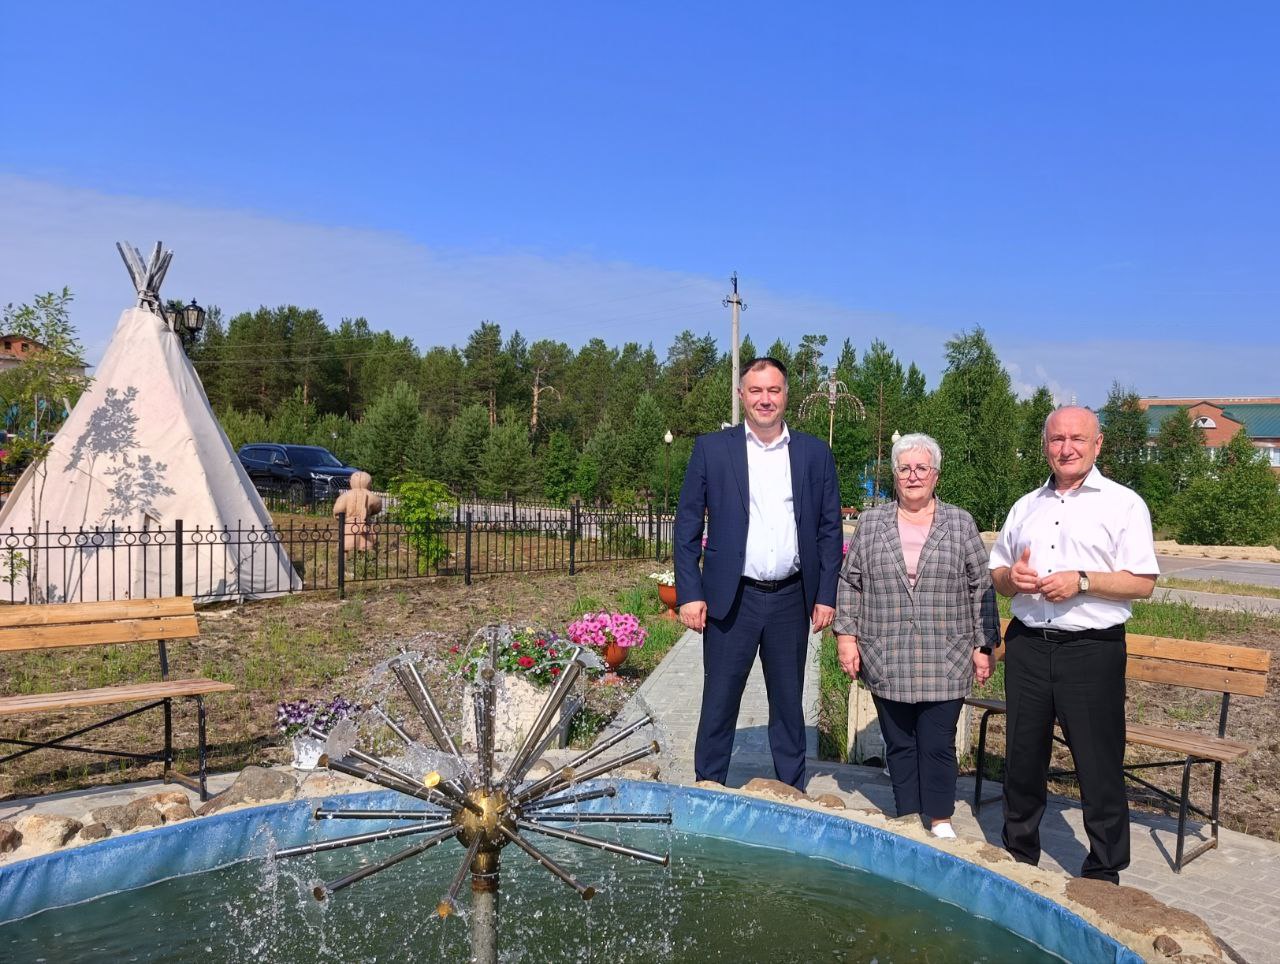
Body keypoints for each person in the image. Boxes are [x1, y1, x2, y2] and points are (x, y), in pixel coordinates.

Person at [989, 405, 1158, 884]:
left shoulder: (1124, 504)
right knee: (1022, 759)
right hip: (1027, 646)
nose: (1066, 448)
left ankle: (1104, 871)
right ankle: (1019, 856)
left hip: (1091, 650)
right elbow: (997, 573)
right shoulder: (1026, 505)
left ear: (1097, 444)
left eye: (1077, 439)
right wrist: (1012, 578)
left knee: (1097, 763)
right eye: (1057, 439)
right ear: (1045, 445)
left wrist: (1082, 581)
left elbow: (1143, 582)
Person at [673, 357, 843, 790]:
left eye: (773, 390)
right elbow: (687, 525)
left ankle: (791, 791)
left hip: (790, 599)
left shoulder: (814, 454)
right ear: (741, 395)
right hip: (732, 600)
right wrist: (689, 592)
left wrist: (826, 595)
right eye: (756, 390)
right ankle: (708, 789)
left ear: (786, 395)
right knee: (719, 701)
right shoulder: (713, 449)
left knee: (788, 705)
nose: (765, 399)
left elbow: (829, 530)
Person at [834, 433, 997, 839]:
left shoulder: (959, 523)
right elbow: (850, 582)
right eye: (905, 468)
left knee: (937, 743)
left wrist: (983, 645)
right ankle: (907, 817)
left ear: (936, 474)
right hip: (886, 653)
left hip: (946, 655)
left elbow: (982, 586)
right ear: (894, 474)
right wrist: (846, 637)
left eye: (922, 468)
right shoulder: (872, 523)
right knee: (900, 744)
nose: (913, 475)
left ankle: (940, 820)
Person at [333, 471, 382, 552]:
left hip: (350, 525)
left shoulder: (345, 496)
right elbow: (378, 507)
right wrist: (369, 513)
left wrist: (343, 518)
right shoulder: (372, 496)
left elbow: (338, 511)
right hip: (365, 526)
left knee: (346, 547)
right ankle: (365, 557)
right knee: (366, 547)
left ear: (351, 482)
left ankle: (346, 558)